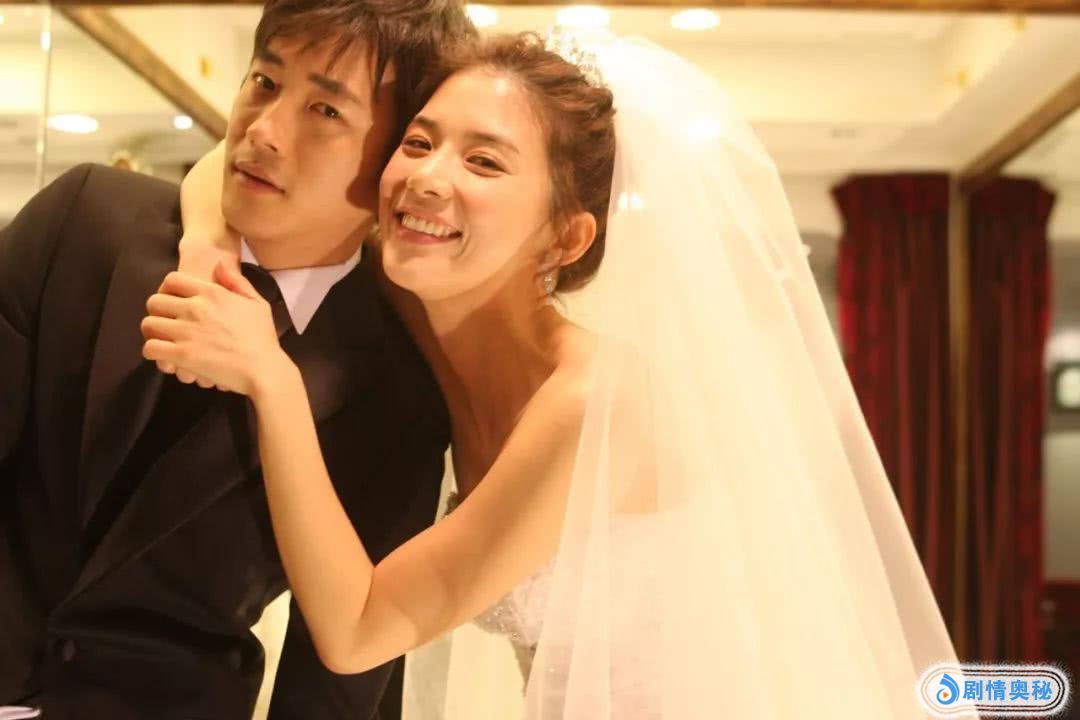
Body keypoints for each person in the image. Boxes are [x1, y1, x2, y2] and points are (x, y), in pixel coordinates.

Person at [150, 31, 968, 719]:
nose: (429, 177)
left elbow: (360, 629)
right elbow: (226, 162)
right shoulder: (421, 298)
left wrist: (272, 380)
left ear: (565, 238)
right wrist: (202, 256)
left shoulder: (589, 402)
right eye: (420, 142)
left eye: (485, 162)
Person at [0, 0, 475, 717]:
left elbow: (339, 681)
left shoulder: (394, 398)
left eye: (325, 111)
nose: (262, 130)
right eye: (263, 81)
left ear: (394, 161)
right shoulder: (86, 219)